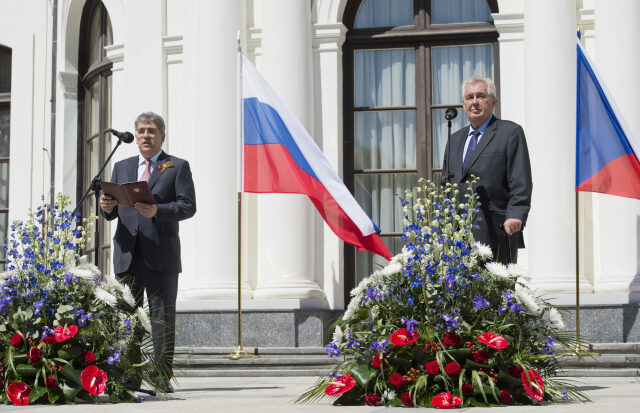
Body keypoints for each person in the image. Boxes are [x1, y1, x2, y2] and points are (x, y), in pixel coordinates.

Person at [99, 112, 196, 392]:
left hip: (160, 255)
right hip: (127, 253)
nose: (145, 135)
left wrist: (158, 211)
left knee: (161, 318)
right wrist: (106, 208)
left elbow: (187, 207)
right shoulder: (122, 166)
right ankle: (129, 376)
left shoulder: (176, 166)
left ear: (162, 136)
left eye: (151, 131)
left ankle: (161, 377)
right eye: (141, 131)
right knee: (128, 318)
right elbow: (113, 211)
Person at [441, 76, 532, 264]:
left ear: (493, 102)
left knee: (494, 292)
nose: (474, 102)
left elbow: (520, 179)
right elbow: (446, 186)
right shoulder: (454, 139)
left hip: (496, 230)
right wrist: (443, 228)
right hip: (458, 237)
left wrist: (516, 214)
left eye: (480, 96)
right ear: (463, 104)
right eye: (469, 97)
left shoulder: (509, 132)